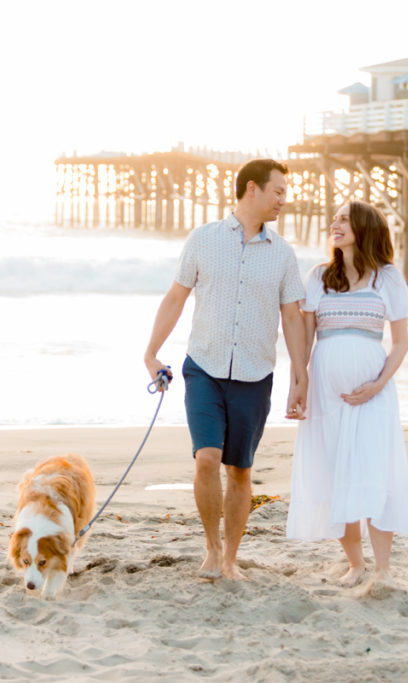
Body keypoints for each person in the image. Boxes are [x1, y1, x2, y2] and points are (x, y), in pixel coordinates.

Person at [144, 158, 308, 581]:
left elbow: (291, 317)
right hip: (205, 367)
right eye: (278, 192)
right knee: (206, 459)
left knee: (239, 470)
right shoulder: (203, 239)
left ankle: (231, 557)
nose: (283, 201)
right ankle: (212, 548)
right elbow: (176, 297)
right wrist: (151, 353)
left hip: (255, 375)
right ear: (252, 189)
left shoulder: (284, 254)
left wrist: (299, 375)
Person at [286, 199, 408, 588]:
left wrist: (378, 383)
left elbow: (401, 343)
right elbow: (306, 339)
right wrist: (299, 384)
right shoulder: (319, 276)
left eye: (344, 219)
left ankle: (383, 570)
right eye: (335, 218)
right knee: (333, 473)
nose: (334, 223)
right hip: (327, 397)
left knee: (374, 472)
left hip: (373, 395)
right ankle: (356, 565)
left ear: (364, 227)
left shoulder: (387, 278)